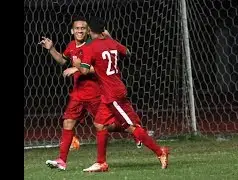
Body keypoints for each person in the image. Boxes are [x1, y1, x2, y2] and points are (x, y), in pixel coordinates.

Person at [39, 16, 141, 171]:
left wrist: (76, 68)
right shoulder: (72, 45)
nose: (80, 30)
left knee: (108, 126)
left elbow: (100, 67)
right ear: (72, 31)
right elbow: (62, 60)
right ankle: (61, 160)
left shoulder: (93, 45)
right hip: (78, 94)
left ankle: (136, 131)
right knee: (68, 122)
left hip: (96, 93)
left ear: (88, 31)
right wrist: (51, 48)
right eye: (77, 28)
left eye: (83, 28)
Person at [76, 17, 169, 172]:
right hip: (111, 91)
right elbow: (127, 51)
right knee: (100, 125)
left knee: (132, 127)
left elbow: (84, 70)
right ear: (103, 30)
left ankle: (160, 152)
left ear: (90, 31)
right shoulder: (111, 43)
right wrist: (110, 37)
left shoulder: (90, 47)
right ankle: (101, 163)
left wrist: (76, 63)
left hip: (113, 94)